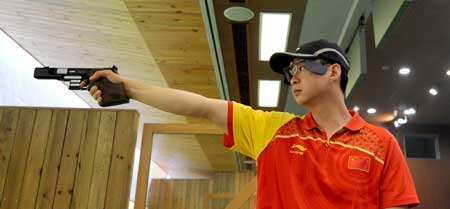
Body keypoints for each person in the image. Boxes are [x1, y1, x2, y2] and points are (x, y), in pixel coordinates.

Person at [81, 39, 419, 209]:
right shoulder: (273, 130)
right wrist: (126, 86)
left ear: (333, 71)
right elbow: (199, 106)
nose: (293, 77)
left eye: (301, 67)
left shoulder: (380, 143)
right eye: (291, 72)